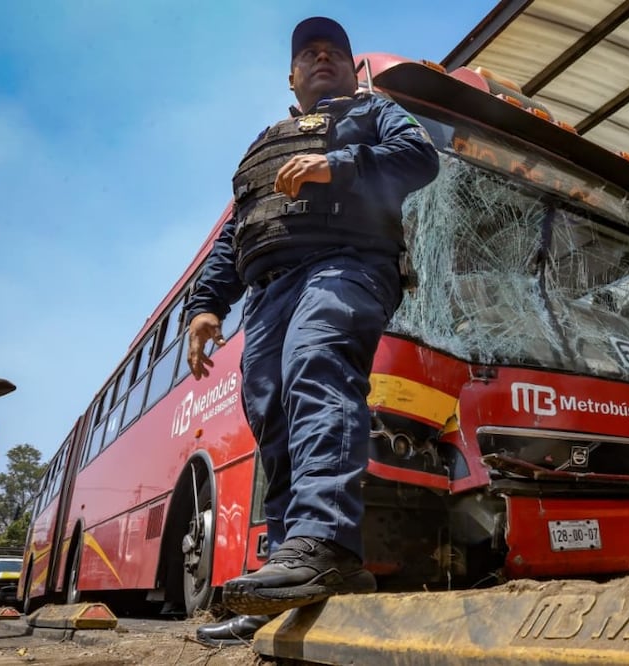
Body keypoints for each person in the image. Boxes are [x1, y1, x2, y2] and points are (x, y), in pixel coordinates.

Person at [187, 16, 439, 646]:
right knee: (270, 409)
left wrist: (339, 166)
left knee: (316, 363)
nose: (322, 57)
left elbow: (420, 159)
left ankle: (325, 541)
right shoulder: (263, 143)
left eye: (335, 51)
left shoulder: (376, 114)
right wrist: (206, 304)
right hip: (269, 288)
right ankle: (288, 571)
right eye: (310, 52)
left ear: (352, 69)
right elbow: (235, 232)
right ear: (292, 75)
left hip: (348, 264)